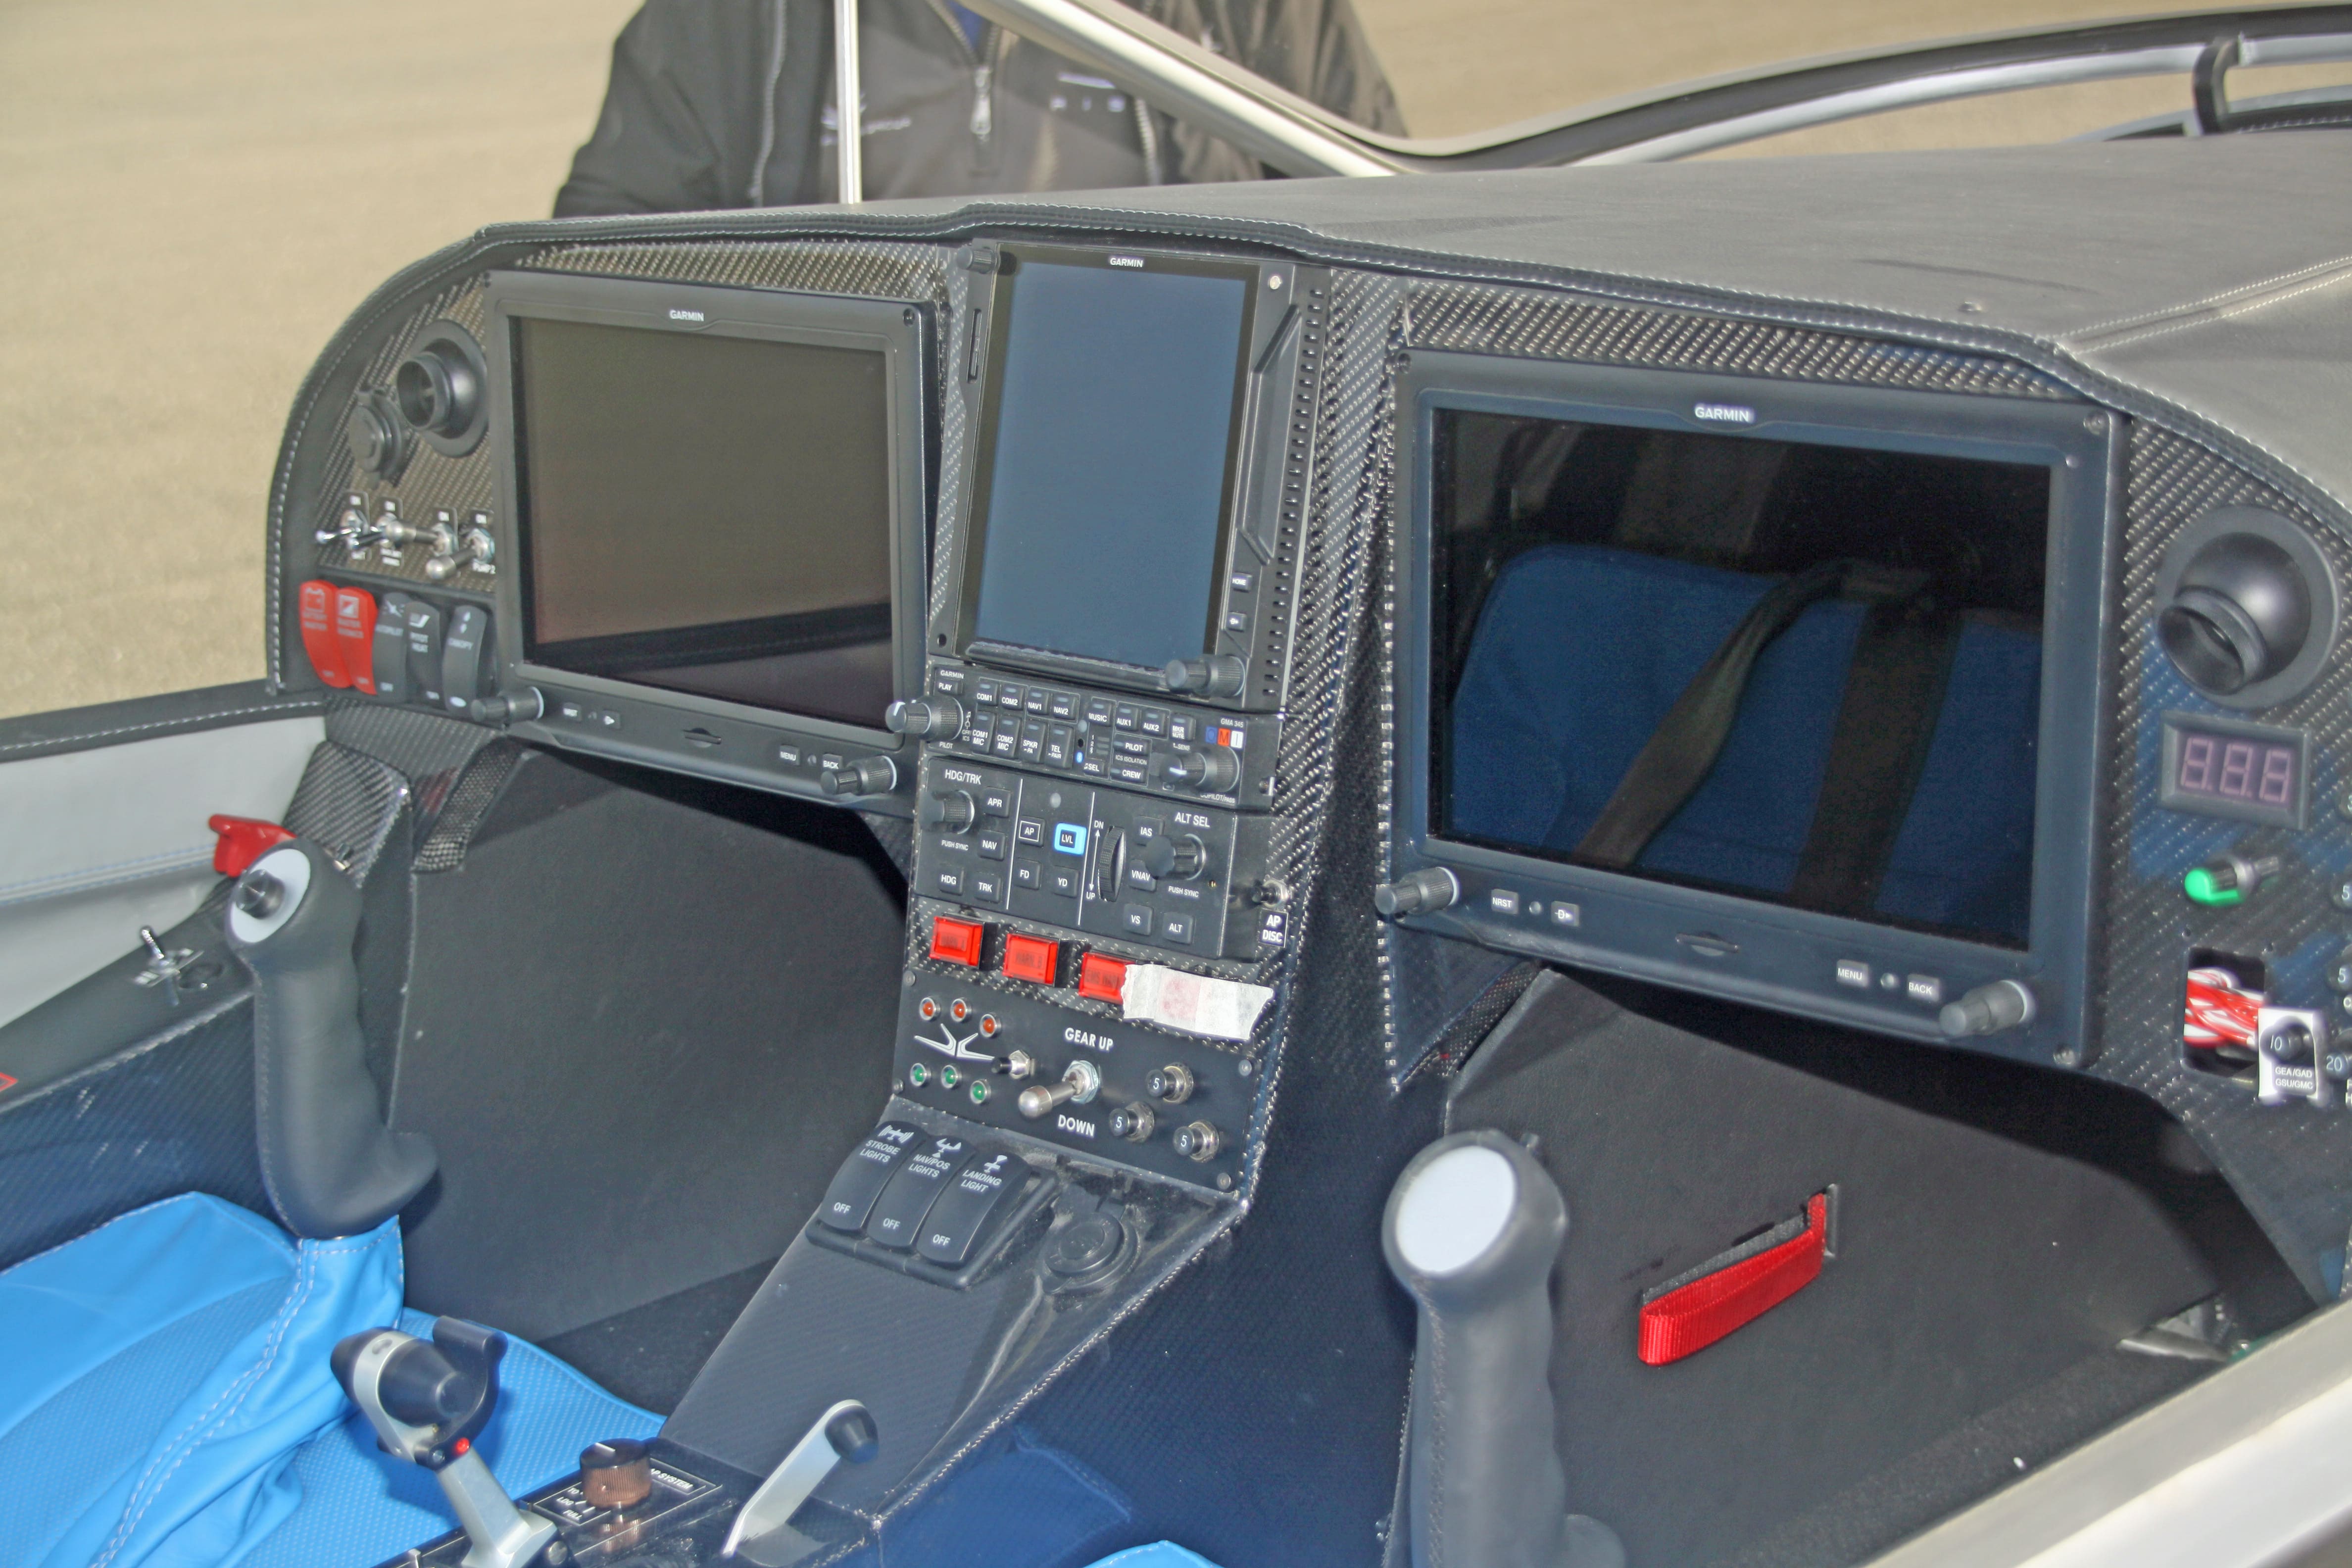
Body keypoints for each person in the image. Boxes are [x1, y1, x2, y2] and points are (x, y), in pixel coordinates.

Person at [554, 0, 1403, 215]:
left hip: (1189, 486)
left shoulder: (1253, 13)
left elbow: (1393, 226)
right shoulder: (734, 21)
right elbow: (597, 266)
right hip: (858, 511)